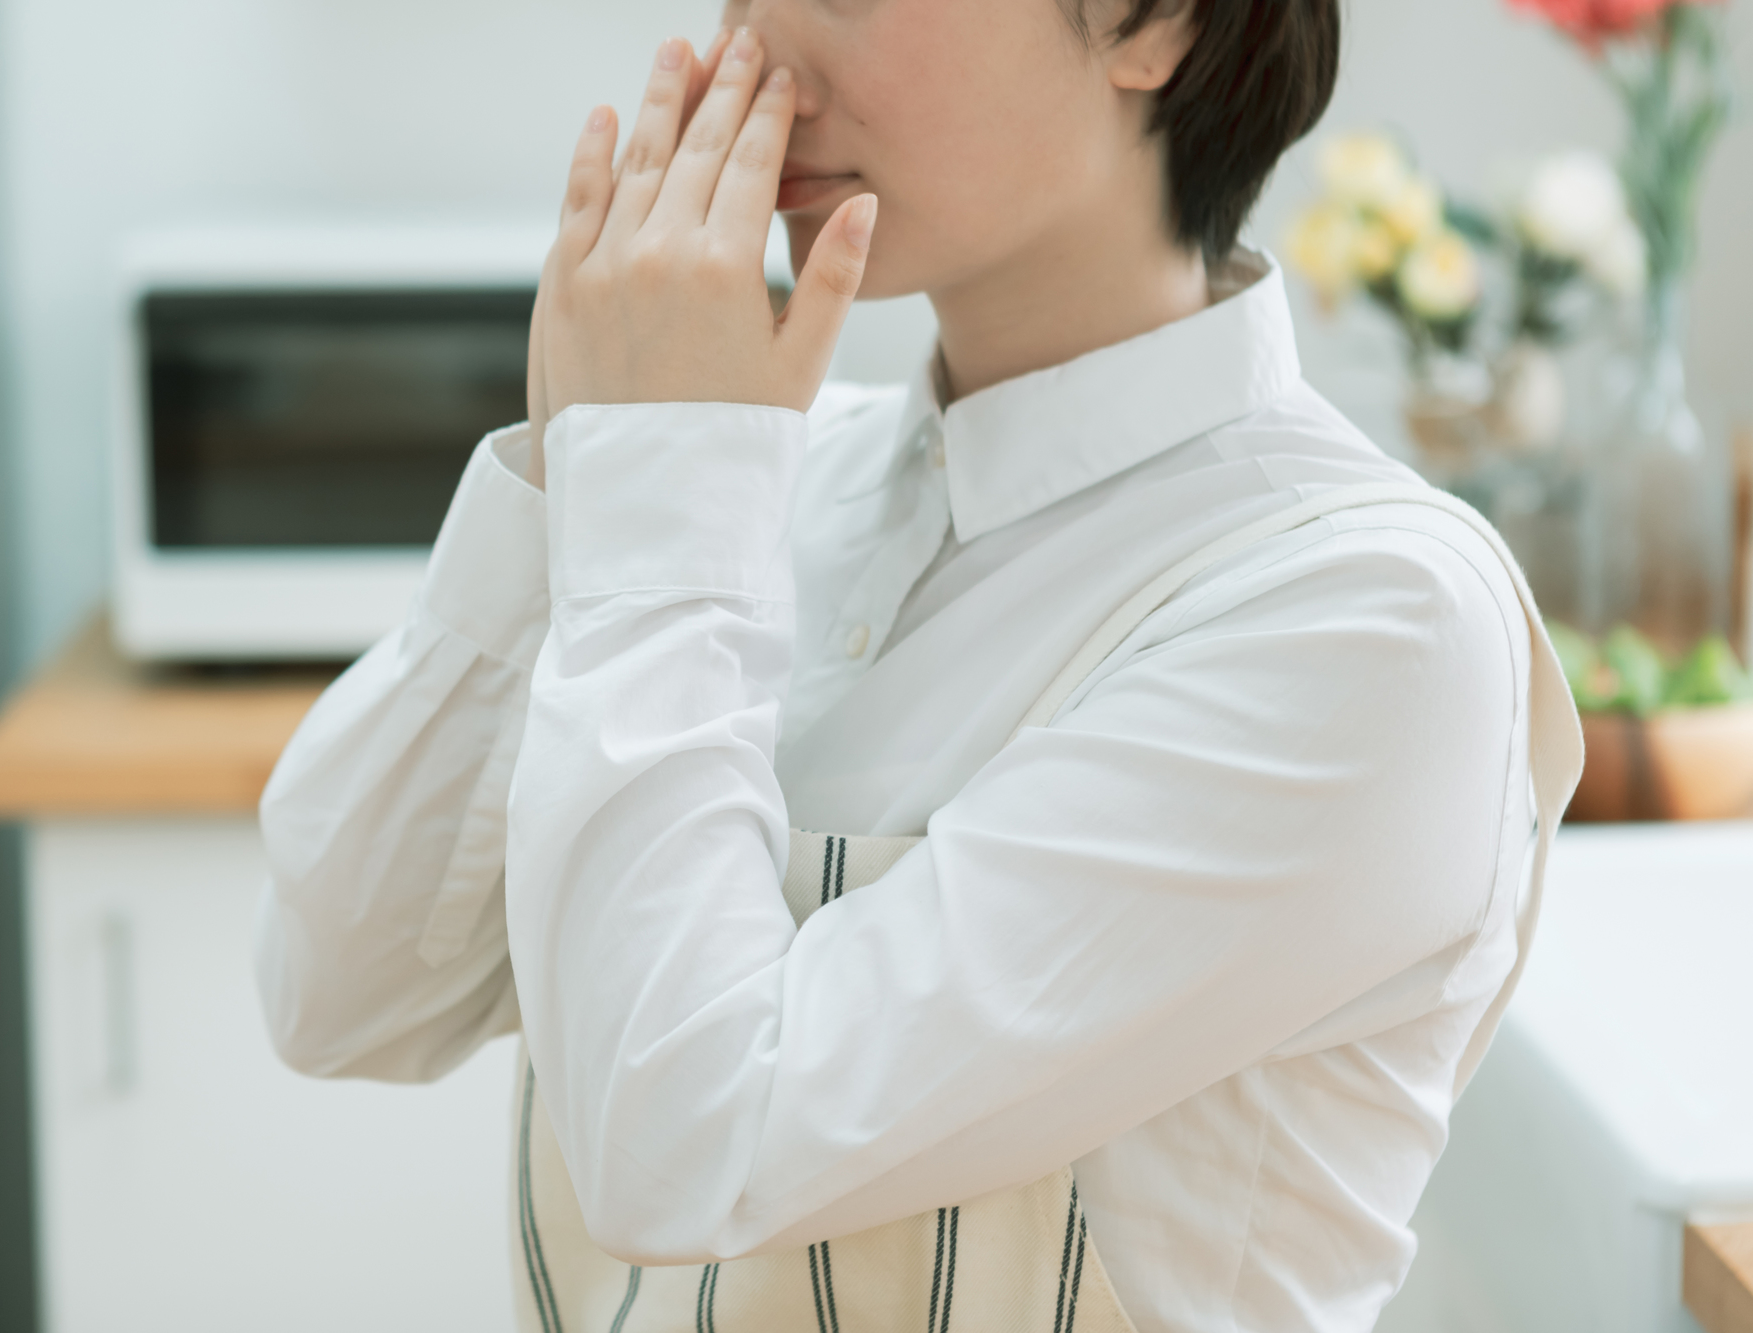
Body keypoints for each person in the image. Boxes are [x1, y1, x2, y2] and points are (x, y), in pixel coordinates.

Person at [253, 2, 1583, 1330]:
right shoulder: (755, 473)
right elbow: (342, 989)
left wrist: (660, 504)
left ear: (1157, 22)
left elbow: (688, 1146)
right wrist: (573, 464)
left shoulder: (1369, 612)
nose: (753, 48)